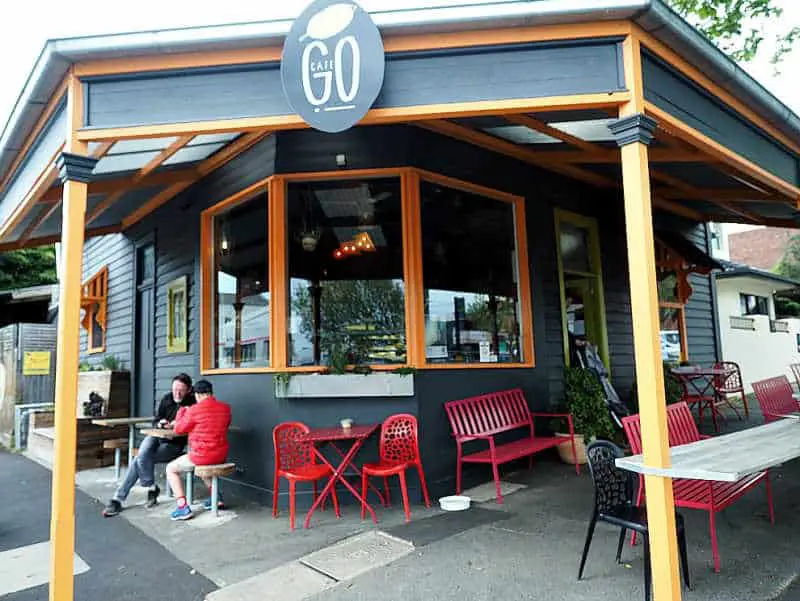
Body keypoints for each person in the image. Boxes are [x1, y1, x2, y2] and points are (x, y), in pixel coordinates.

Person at [102, 373, 196, 517]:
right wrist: (160, 423)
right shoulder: (167, 399)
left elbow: (196, 424)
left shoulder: (193, 403)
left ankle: (118, 499)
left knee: (139, 459)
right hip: (158, 436)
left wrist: (179, 425)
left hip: (174, 444)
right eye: (174, 389)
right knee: (143, 452)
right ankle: (150, 486)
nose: (176, 393)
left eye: (180, 390)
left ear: (188, 389)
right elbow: (156, 419)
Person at [165, 379, 231, 521]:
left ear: (197, 395)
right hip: (221, 455)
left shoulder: (194, 410)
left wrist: (182, 411)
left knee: (170, 469)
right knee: (204, 468)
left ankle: (182, 507)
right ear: (211, 393)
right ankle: (216, 498)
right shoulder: (226, 408)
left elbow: (178, 429)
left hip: (200, 456)